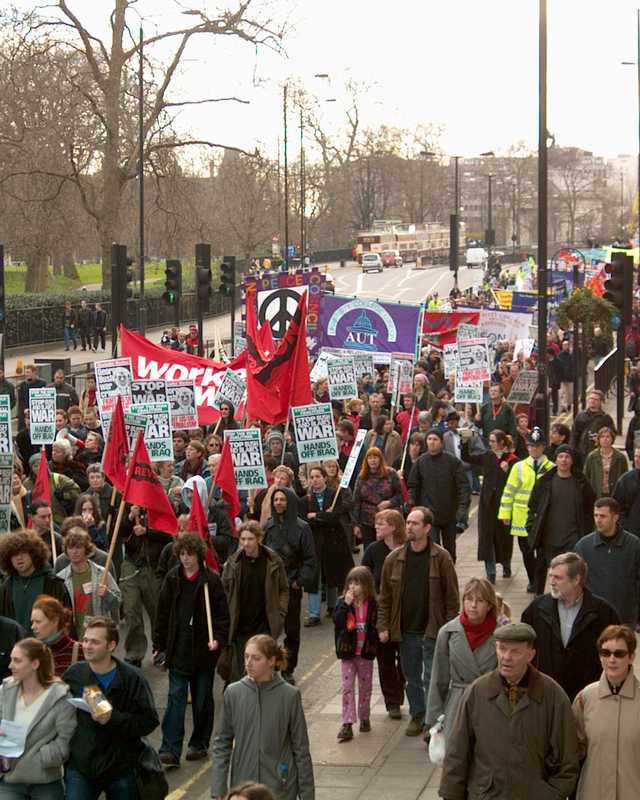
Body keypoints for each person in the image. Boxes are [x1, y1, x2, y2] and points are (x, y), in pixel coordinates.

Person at [439, 622, 580, 800]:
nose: (506, 657)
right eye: (502, 649)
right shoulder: (477, 692)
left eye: (515, 652)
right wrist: (451, 795)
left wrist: (550, 794)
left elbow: (568, 759)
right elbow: (457, 752)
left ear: (530, 655)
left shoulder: (553, 696)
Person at [377, 506, 459, 737]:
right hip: (405, 630)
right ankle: (418, 714)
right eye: (408, 522)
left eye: (414, 523)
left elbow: (452, 597)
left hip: (433, 629)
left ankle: (433, 721)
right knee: (412, 678)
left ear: (427, 528)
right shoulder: (394, 559)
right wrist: (383, 625)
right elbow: (384, 597)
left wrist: (451, 628)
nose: (409, 526)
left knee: (433, 678)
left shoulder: (441, 557)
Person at [153, 534, 230, 768]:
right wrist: (159, 644)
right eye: (182, 554)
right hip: (179, 650)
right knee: (176, 699)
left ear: (199, 555)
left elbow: (222, 617)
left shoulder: (211, 581)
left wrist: (218, 639)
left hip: (203, 652)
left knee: (202, 701)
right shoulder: (172, 578)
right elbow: (162, 612)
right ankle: (170, 748)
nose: (186, 559)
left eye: (190, 554)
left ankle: (199, 743)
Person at [64, 616, 160, 800]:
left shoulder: (132, 678)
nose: (87, 646)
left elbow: (149, 721)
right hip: (82, 767)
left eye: (95, 642)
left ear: (111, 645)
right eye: (85, 640)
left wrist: (112, 718)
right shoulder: (75, 674)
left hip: (120, 768)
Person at [211, 635, 314, 800]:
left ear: (272, 661)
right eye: (246, 656)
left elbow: (301, 749)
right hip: (244, 789)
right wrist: (218, 791)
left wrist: (307, 795)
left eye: (256, 658)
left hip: (280, 789)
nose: (248, 663)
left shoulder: (290, 696)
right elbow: (222, 743)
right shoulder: (233, 693)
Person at [521, 552, 619, 701]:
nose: (552, 582)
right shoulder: (537, 609)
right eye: (551, 576)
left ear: (576, 580)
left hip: (588, 695)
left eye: (558, 577)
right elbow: (525, 648)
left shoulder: (604, 613)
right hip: (546, 694)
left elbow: (616, 654)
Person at [0, 637, 76, 799]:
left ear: (35, 664)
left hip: (46, 781)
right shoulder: (5, 690)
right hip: (9, 779)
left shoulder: (60, 696)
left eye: (17, 661)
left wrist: (44, 758)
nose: (10, 665)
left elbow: (65, 739)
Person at [426, 578, 498, 746]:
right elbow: (439, 678)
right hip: (458, 703)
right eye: (469, 599)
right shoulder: (448, 632)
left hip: (490, 704)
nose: (473, 605)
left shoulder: (500, 634)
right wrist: (434, 718)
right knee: (456, 756)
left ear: (489, 606)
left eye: (480, 601)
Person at [572, 624, 640, 800]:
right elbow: (573, 753)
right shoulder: (585, 698)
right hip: (592, 793)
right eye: (605, 653)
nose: (612, 659)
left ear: (631, 656)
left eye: (619, 653)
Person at [262, 488, 317, 684]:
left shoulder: (302, 528)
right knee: (269, 630)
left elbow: (310, 559)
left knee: (292, 631)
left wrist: (298, 581)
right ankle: (271, 666)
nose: (278, 503)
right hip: (271, 587)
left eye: (282, 500)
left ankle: (288, 668)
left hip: (291, 585)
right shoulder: (268, 527)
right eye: (275, 499)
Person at [222, 522, 289, 682]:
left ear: (259, 539)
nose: (246, 543)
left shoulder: (273, 561)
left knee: (264, 673)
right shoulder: (233, 563)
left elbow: (283, 589)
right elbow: (224, 591)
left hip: (264, 626)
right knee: (242, 675)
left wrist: (280, 614)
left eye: (250, 539)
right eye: (243, 539)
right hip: (240, 629)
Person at [526, 445, 596, 595]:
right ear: (556, 459)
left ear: (572, 461)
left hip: (573, 539)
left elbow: (591, 509)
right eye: (561, 456)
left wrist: (586, 533)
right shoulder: (544, 482)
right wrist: (531, 528)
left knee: (571, 577)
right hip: (548, 540)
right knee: (550, 579)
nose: (564, 460)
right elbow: (532, 508)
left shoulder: (581, 484)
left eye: (567, 457)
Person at [498, 427, 554, 593]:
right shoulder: (519, 467)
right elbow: (509, 491)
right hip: (522, 518)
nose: (533, 449)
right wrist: (505, 514)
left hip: (544, 519)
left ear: (543, 447)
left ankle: (539, 581)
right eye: (530, 445)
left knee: (542, 554)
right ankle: (533, 580)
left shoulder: (552, 467)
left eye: (537, 445)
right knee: (527, 553)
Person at [362, 510, 405, 719]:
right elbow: (364, 576)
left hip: (405, 613)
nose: (376, 527)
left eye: (381, 524)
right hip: (381, 613)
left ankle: (401, 687)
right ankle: (392, 702)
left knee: (406, 659)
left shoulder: (407, 549)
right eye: (376, 524)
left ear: (394, 527)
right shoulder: (373, 550)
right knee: (385, 659)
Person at [120, 504, 174, 668]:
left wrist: (147, 531)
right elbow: (116, 533)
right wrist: (129, 518)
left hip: (153, 567)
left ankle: (160, 649)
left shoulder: (160, 505)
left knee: (156, 610)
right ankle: (134, 653)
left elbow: (170, 534)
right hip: (130, 564)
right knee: (131, 610)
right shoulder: (126, 506)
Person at [301, 466, 354, 626]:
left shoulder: (334, 494)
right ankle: (314, 613)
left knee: (332, 574)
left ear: (324, 478)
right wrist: (324, 516)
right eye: (312, 477)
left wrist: (317, 516)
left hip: (333, 540)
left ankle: (332, 607)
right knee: (315, 576)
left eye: (318, 476)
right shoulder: (307, 499)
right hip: (314, 542)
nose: (314, 480)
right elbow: (305, 519)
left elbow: (335, 516)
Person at [575, 497, 640, 626]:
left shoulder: (634, 545)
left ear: (615, 517)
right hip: (592, 617)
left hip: (624, 618)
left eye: (603, 516)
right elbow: (575, 581)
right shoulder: (583, 546)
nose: (598, 520)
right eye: (596, 515)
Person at [463, 429, 518, 583]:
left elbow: (518, 479)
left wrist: (507, 471)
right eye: (490, 440)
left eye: (493, 441)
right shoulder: (487, 456)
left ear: (501, 443)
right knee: (487, 537)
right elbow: (467, 457)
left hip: (504, 505)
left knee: (504, 537)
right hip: (487, 504)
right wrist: (465, 441)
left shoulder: (513, 460)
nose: (490, 443)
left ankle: (506, 564)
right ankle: (491, 572)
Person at [407, 429, 470, 562]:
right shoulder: (420, 462)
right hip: (429, 515)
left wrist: (462, 509)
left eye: (435, 439)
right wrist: (412, 504)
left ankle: (449, 573)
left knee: (449, 550)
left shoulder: (452, 462)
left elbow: (463, 486)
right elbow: (413, 485)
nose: (432, 442)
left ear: (441, 442)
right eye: (429, 439)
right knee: (433, 549)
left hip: (449, 513)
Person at [333, 566, 378, 743]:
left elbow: (376, 623)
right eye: (350, 582)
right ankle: (347, 722)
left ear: (366, 585)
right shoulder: (342, 603)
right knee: (347, 688)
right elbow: (337, 622)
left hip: (365, 653)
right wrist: (346, 604)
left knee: (365, 688)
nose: (353, 587)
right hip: (347, 652)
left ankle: (364, 716)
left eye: (357, 583)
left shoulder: (373, 603)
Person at [0, 531, 71, 630]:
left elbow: (66, 622)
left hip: (47, 643)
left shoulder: (53, 583)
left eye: (23, 553)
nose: (19, 558)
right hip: (16, 644)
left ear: (34, 554)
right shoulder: (6, 587)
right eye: (14, 554)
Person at [56, 529, 121, 633]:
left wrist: (107, 594)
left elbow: (117, 603)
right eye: (71, 547)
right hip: (73, 635)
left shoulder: (102, 574)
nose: (74, 551)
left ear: (86, 549)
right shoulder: (61, 578)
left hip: (98, 632)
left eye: (78, 547)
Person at [353, 447, 403, 550]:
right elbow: (356, 501)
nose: (373, 460)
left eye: (375, 457)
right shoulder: (361, 476)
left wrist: (389, 502)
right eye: (370, 458)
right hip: (367, 520)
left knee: (388, 549)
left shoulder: (391, 473)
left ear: (380, 459)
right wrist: (356, 525)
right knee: (370, 550)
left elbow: (401, 495)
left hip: (388, 520)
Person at [31, 594, 82, 676]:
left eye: (38, 622)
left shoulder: (81, 651)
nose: (33, 627)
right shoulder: (33, 654)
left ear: (55, 621)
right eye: (32, 622)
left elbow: (94, 687)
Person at [583, 426, 628, 499]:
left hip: (614, 494)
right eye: (602, 437)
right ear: (599, 439)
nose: (605, 439)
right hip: (596, 494)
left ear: (612, 439)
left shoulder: (620, 457)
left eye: (608, 436)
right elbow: (586, 476)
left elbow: (625, 477)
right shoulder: (592, 457)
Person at [571, 389, 616, 459]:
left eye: (596, 399)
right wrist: (573, 451)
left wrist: (601, 439)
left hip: (598, 453)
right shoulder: (580, 416)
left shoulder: (606, 418)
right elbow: (574, 434)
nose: (592, 401)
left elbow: (612, 435)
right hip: (581, 453)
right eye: (591, 398)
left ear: (601, 402)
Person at [613, 445, 640, 535]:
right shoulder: (625, 480)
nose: (636, 459)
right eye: (636, 456)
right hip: (631, 533)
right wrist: (625, 527)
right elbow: (617, 506)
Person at [16, 365, 46, 431]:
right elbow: (20, 400)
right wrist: (24, 409)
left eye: (28, 372)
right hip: (25, 413)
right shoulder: (22, 385)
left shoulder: (42, 383)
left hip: (38, 412)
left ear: (34, 372)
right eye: (26, 372)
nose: (26, 374)